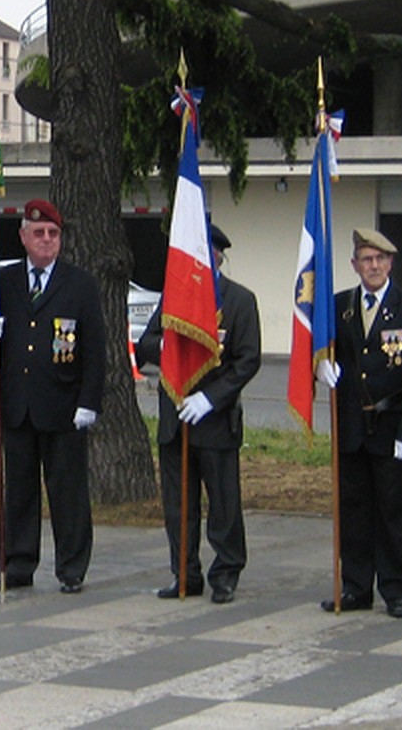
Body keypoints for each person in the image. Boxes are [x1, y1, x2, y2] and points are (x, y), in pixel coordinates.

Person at [0, 198, 106, 593]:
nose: (46, 240)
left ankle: (72, 568)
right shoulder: (5, 283)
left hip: (64, 407)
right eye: (38, 233)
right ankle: (18, 565)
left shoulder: (80, 284)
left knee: (68, 493)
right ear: (23, 237)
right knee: (19, 492)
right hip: (18, 406)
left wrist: (89, 402)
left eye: (53, 233)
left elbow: (96, 351)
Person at [136, 225, 261, 604]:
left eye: (206, 255)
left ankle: (225, 572)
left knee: (223, 504)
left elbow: (248, 359)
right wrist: (173, 349)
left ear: (219, 257)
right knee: (179, 506)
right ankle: (184, 573)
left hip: (215, 419)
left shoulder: (240, 300)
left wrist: (211, 398)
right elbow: (145, 343)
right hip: (176, 417)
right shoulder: (174, 297)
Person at [316, 228, 402, 618]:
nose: (374, 266)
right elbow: (323, 348)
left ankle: (397, 589)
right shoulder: (339, 306)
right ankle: (355, 587)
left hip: (391, 426)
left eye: (380, 259)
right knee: (353, 510)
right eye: (366, 259)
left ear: (390, 264)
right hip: (352, 425)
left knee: (391, 512)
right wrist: (320, 366)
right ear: (354, 265)